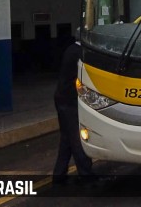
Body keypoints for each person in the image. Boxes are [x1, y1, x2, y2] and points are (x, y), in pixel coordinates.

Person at [52, 37, 93, 184]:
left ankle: (59, 174)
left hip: (62, 98)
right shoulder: (80, 53)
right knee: (77, 138)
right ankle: (86, 174)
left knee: (67, 138)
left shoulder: (71, 50)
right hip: (69, 101)